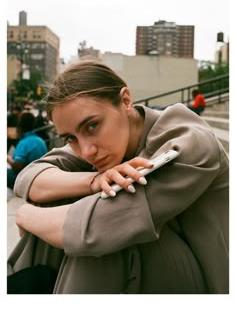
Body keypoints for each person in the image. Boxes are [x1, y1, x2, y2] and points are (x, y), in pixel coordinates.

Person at [8, 60, 229, 294]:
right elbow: (30, 176)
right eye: (70, 138)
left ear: (125, 100)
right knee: (56, 198)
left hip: (205, 287)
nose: (87, 151)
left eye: (92, 126)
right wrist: (93, 181)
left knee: (109, 237)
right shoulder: (103, 143)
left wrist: (26, 214)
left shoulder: (191, 142)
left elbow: (96, 229)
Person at [7, 111, 48, 190]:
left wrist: (7, 158)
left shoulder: (24, 143)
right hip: (37, 177)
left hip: (25, 179)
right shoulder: (40, 140)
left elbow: (17, 165)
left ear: (19, 126)